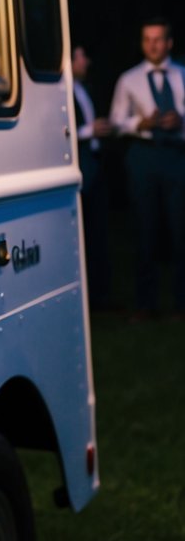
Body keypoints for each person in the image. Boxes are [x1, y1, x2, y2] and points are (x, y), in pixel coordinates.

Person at [109, 16, 185, 321]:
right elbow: (115, 122)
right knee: (145, 228)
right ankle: (145, 303)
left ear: (169, 42)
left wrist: (180, 122)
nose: (153, 45)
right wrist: (138, 123)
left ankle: (181, 303)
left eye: (158, 39)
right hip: (143, 156)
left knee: (181, 230)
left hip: (177, 156)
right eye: (147, 39)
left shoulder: (182, 74)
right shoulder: (129, 79)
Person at [72, 44, 114, 311]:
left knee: (99, 231)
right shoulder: (64, 91)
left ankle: (101, 295)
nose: (87, 62)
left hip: (96, 163)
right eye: (83, 56)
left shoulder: (85, 88)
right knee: (84, 232)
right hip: (81, 162)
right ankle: (89, 297)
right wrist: (89, 130)